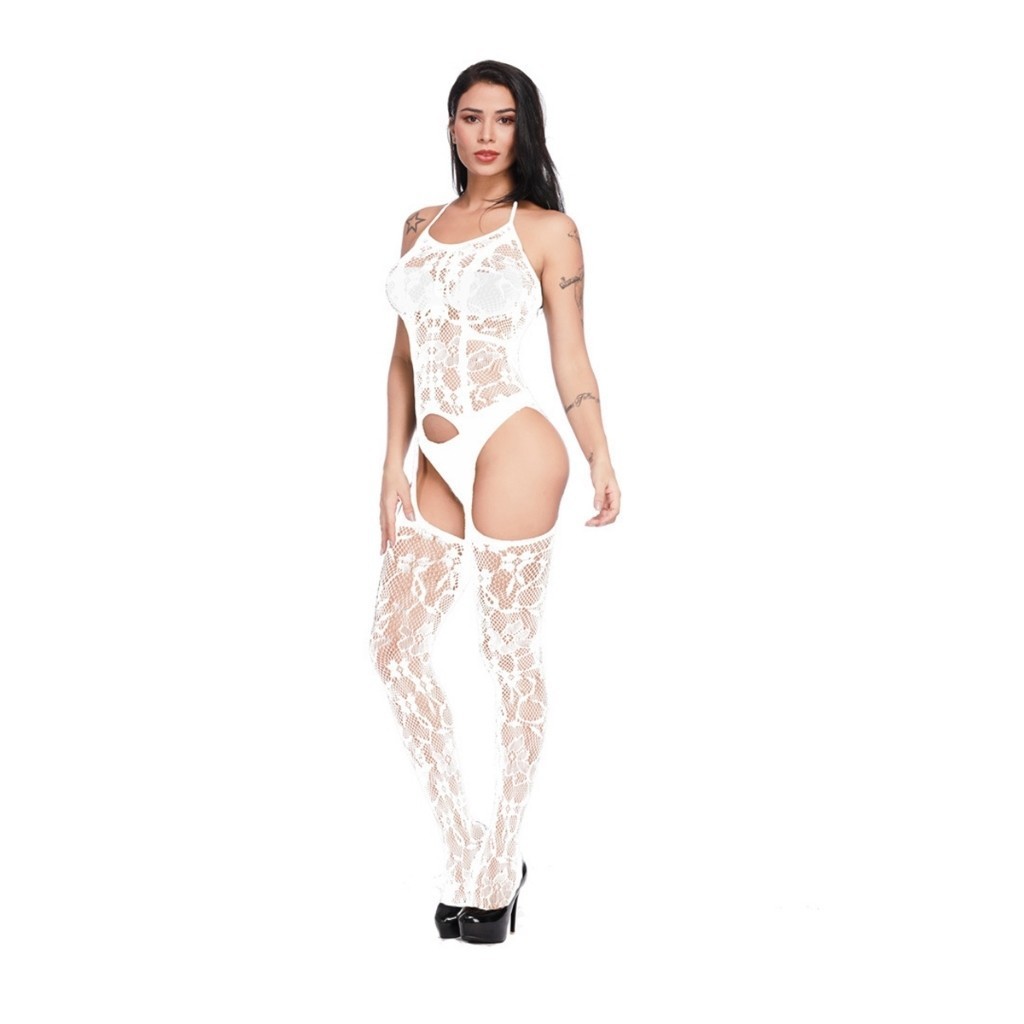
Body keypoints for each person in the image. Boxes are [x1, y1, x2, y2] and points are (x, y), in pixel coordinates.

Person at [368, 59, 620, 944]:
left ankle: (500, 855)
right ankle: (471, 849)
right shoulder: (419, 225)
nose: (486, 134)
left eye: (504, 119)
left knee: (504, 649)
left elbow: (570, 354)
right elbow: (403, 356)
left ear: (525, 130)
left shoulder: (547, 230)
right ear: (450, 126)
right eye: (471, 117)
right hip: (434, 457)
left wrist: (600, 453)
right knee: (395, 649)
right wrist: (390, 466)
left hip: (512, 439)